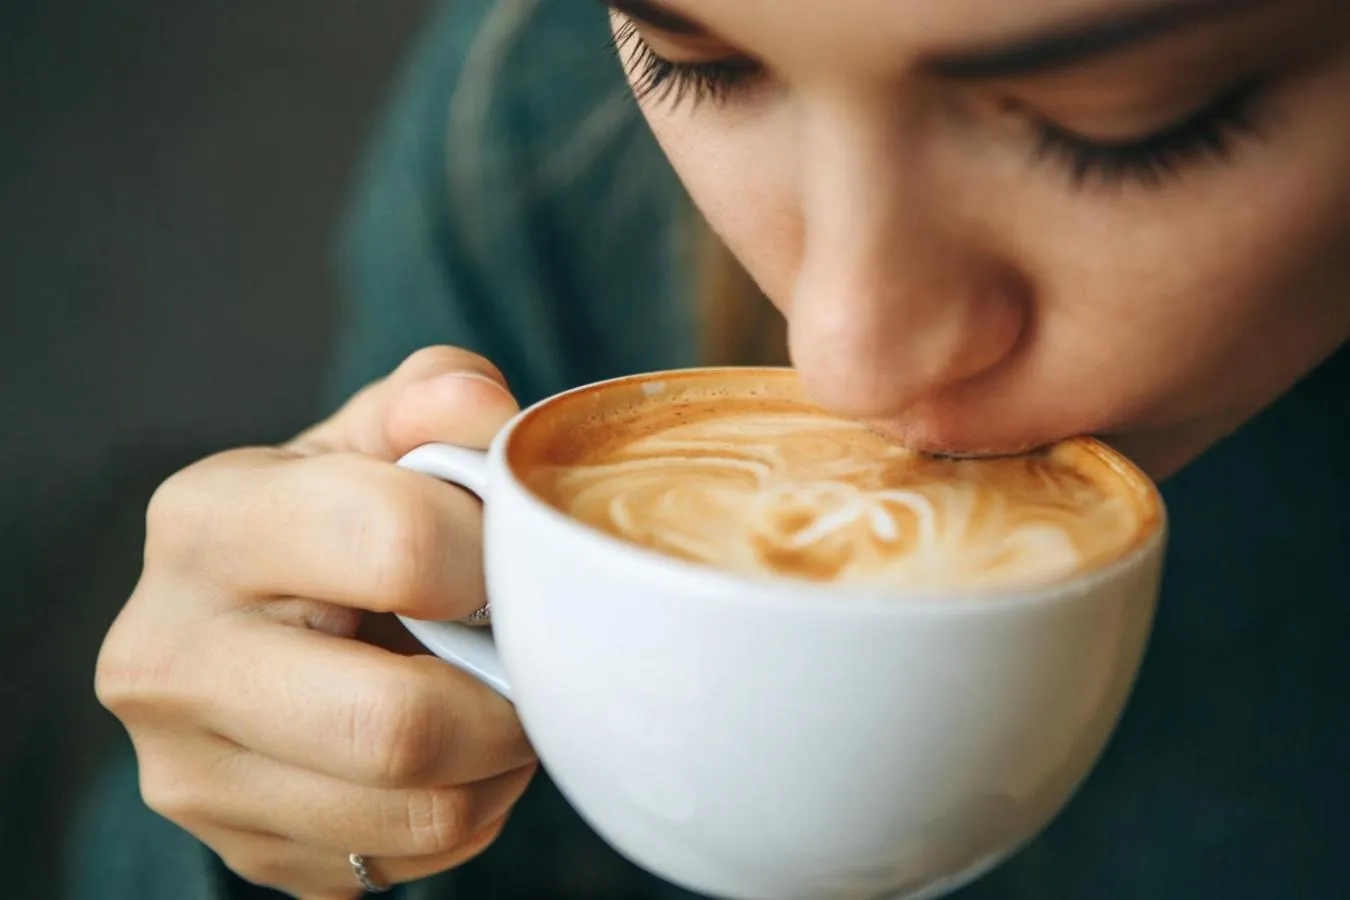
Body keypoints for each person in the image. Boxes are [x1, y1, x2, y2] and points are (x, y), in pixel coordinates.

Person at [75, 0, 1349, 898]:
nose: (844, 352)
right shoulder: (543, 123)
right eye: (698, 60)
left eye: (1117, 123)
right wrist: (285, 814)